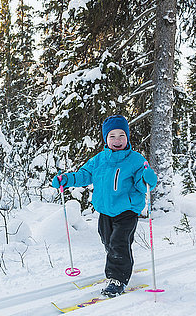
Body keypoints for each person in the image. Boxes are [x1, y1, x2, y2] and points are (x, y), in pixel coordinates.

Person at [51, 114, 157, 297]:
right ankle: (120, 263)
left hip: (127, 210)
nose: (117, 140)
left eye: (121, 135)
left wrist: (148, 179)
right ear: (106, 139)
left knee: (119, 243)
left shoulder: (136, 160)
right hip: (105, 210)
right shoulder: (99, 160)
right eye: (112, 136)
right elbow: (84, 175)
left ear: (128, 137)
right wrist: (66, 179)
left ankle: (118, 278)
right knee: (108, 241)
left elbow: (142, 184)